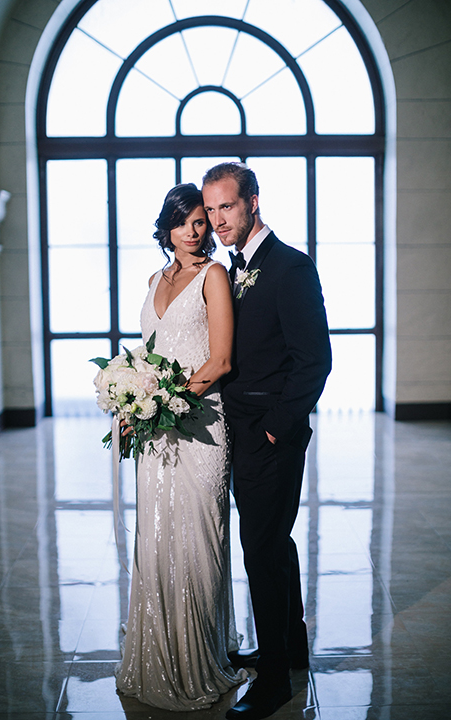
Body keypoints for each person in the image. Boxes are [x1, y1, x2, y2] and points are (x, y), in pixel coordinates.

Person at [202, 163, 332, 720]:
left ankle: (275, 678)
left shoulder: (291, 268)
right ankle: (290, 646)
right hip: (239, 430)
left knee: (260, 549)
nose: (216, 220)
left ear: (253, 202)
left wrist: (277, 426)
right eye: (209, 210)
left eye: (226, 207)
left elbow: (315, 361)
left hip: (270, 433)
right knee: (274, 540)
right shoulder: (232, 270)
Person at [115, 183, 246, 710]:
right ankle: (157, 652)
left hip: (200, 426)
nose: (196, 231)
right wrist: (133, 402)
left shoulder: (214, 276)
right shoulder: (154, 279)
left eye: (201, 221)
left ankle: (200, 656)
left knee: (200, 539)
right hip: (156, 432)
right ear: (166, 227)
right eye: (185, 222)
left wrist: (164, 400)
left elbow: (220, 362)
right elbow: (149, 355)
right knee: (158, 537)